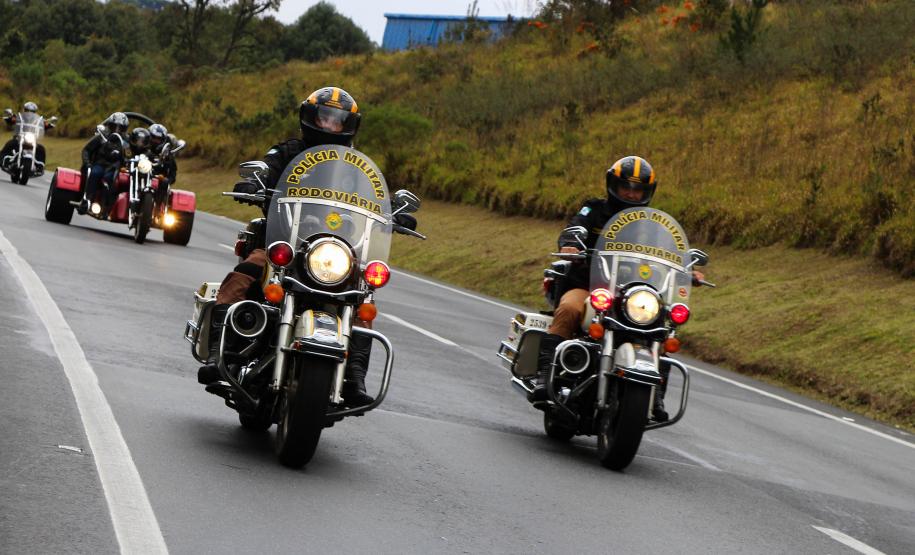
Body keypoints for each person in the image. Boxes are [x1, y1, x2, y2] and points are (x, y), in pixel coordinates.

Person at [198, 86, 378, 407]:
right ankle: (219, 354)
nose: (329, 126)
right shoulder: (287, 152)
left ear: (349, 125)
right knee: (247, 270)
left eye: (337, 120)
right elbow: (266, 168)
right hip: (283, 242)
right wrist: (255, 182)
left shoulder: (357, 167)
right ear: (310, 118)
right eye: (324, 117)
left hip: (332, 251)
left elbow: (375, 197)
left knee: (361, 295)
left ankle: (354, 376)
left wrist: (396, 214)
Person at [529, 156, 705, 422]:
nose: (631, 193)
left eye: (638, 189)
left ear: (648, 191)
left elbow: (671, 252)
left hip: (634, 293)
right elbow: (576, 226)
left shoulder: (651, 223)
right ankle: (544, 376)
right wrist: (571, 242)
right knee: (569, 308)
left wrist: (688, 268)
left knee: (663, 324)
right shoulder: (594, 209)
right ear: (613, 184)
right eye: (626, 187)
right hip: (589, 285)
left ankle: (654, 391)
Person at [78, 112, 129, 216]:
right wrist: (87, 164)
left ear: (125, 129)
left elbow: (134, 154)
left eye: (120, 128)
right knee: (95, 173)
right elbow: (86, 150)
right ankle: (86, 201)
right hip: (100, 165)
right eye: (114, 127)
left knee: (113, 179)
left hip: (116, 169)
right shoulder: (101, 136)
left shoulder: (127, 142)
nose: (117, 130)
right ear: (109, 125)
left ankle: (108, 206)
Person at [1, 101, 54, 168]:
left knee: (41, 149)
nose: (29, 112)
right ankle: (3, 160)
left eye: (32, 111)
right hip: (19, 138)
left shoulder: (39, 120)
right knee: (10, 144)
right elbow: (12, 119)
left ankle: (40, 166)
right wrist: (10, 118)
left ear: (35, 112)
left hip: (32, 139)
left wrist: (48, 124)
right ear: (24, 110)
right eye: (27, 110)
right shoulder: (19, 117)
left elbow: (45, 124)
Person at [148, 123, 178, 207]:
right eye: (153, 137)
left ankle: (157, 207)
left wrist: (167, 180)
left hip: (159, 183)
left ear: (163, 140)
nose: (155, 141)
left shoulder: (167, 155)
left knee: (164, 183)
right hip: (141, 176)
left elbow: (173, 174)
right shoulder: (141, 149)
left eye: (158, 139)